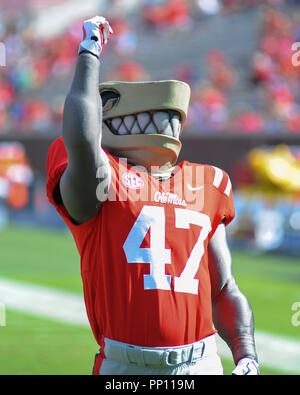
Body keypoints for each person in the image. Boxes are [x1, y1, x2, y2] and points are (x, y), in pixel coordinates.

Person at [46, 16, 259, 375]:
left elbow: (224, 288)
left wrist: (246, 354)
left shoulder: (208, 182)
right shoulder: (106, 178)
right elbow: (82, 141)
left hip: (201, 361)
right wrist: (88, 53)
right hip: (125, 366)